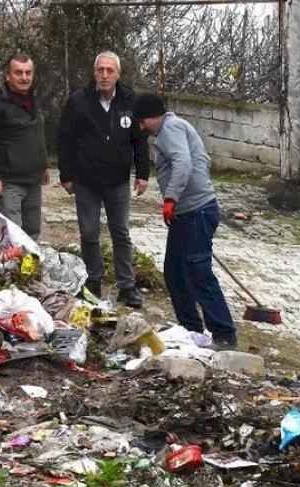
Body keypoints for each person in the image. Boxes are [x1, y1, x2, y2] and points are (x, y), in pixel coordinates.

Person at [133, 93, 238, 350]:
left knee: (198, 273)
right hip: (187, 213)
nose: (140, 127)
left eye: (141, 121)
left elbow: (184, 162)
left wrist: (171, 197)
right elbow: (199, 160)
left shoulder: (171, 129)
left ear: (149, 117)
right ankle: (191, 329)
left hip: (197, 212)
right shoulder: (172, 129)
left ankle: (224, 335)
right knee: (175, 271)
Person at [56, 51, 151, 307]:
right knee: (89, 233)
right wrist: (66, 175)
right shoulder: (78, 101)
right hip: (86, 180)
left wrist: (143, 174)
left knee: (121, 233)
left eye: (110, 70)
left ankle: (127, 286)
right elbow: (64, 139)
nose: (105, 75)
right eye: (100, 70)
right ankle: (93, 281)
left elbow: (139, 140)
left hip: (118, 181)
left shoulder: (131, 100)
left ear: (118, 74)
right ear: (94, 72)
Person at [0, 54, 48, 240]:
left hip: (33, 181)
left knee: (33, 234)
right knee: (12, 237)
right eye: (18, 73)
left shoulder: (35, 100)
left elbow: (38, 134)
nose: (24, 77)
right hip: (9, 183)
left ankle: (29, 269)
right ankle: (10, 269)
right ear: (8, 76)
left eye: (28, 73)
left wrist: (43, 165)